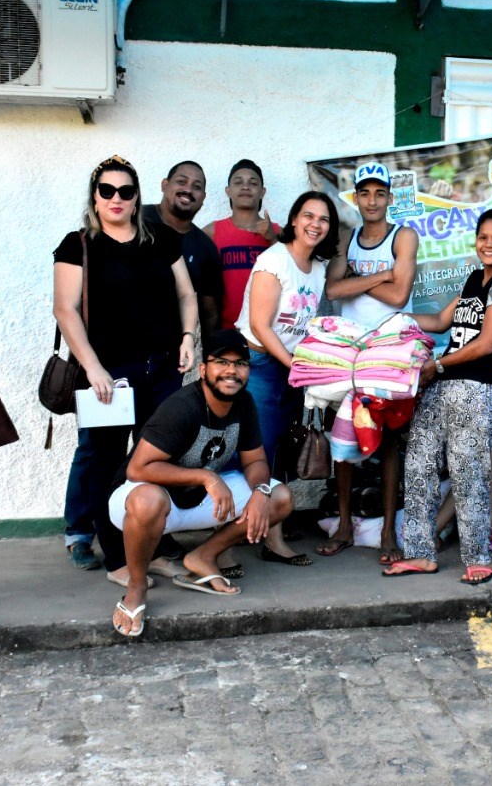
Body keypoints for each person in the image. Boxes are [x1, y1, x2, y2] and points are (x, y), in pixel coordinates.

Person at [54, 155, 198, 584]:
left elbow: (186, 295)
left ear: (137, 199)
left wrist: (188, 337)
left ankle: (149, 544)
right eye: (107, 191)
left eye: (126, 191)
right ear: (95, 199)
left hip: (161, 372)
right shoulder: (76, 244)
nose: (116, 198)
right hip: (109, 375)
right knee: (107, 463)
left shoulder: (162, 241)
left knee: (155, 458)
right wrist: (93, 367)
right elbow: (65, 310)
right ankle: (117, 558)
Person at [107, 330, 294, 636]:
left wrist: (260, 491)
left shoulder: (244, 403)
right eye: (221, 362)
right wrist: (207, 476)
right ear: (203, 369)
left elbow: (256, 462)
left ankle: (203, 556)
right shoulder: (183, 406)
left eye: (240, 363)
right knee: (149, 500)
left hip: (196, 498)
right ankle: (136, 587)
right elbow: (138, 469)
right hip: (141, 500)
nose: (231, 370)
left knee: (280, 496)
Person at [384, 208, 492, 584]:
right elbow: (443, 322)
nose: (488, 244)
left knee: (468, 472)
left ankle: (479, 556)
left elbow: (487, 343)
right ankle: (419, 553)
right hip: (443, 384)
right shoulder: (474, 278)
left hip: (476, 387)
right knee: (418, 465)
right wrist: (400, 319)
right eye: (483, 237)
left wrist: (440, 365)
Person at [320, 162, 420, 562]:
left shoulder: (404, 236)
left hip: (391, 348)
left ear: (390, 198)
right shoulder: (346, 237)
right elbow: (332, 287)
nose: (373, 200)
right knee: (342, 437)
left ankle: (388, 536)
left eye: (380, 193)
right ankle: (345, 525)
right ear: (356, 198)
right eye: (365, 193)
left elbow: (400, 299)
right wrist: (381, 276)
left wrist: (359, 278)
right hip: (348, 349)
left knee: (392, 440)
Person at [236, 190, 340, 565]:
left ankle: (272, 534)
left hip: (289, 368)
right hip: (262, 365)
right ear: (294, 220)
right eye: (308, 216)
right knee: (254, 452)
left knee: (280, 449)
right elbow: (261, 326)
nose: (315, 224)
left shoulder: (319, 268)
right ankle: (236, 538)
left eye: (324, 219)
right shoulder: (273, 260)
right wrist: (295, 365)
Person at [143, 160, 223, 345]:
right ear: (165, 185)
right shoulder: (134, 220)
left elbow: (209, 314)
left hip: (168, 357)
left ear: (203, 197)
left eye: (197, 187)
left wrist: (209, 364)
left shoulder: (205, 248)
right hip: (113, 352)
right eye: (181, 181)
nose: (188, 190)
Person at [205, 159, 279, 330]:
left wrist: (273, 240)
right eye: (238, 182)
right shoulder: (211, 232)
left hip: (271, 333)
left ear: (262, 192)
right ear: (228, 191)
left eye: (253, 183)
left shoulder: (278, 232)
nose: (246, 187)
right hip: (227, 332)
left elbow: (295, 277)